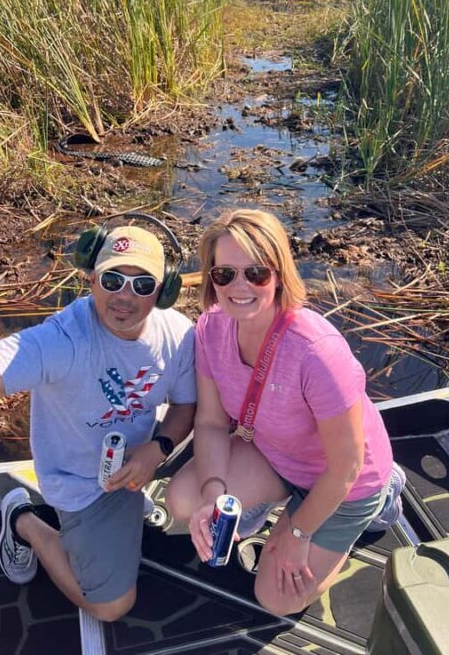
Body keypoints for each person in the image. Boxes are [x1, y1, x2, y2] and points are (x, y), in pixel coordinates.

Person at [0, 217, 196, 622]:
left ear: (162, 292)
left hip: (138, 461)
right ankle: (24, 521)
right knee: (111, 607)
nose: (125, 296)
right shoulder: (62, 340)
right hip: (83, 485)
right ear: (90, 279)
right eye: (112, 281)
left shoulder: (178, 335)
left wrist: (158, 449)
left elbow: (185, 406)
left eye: (142, 284)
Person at [165, 208, 404, 616]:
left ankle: (384, 500)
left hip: (347, 483)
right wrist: (213, 495)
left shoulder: (316, 351)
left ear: (278, 274)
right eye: (224, 274)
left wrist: (298, 532)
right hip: (277, 455)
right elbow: (209, 423)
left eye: (255, 273)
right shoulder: (211, 328)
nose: (239, 287)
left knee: (276, 598)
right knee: (183, 500)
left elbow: (346, 466)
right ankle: (266, 505)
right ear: (211, 278)